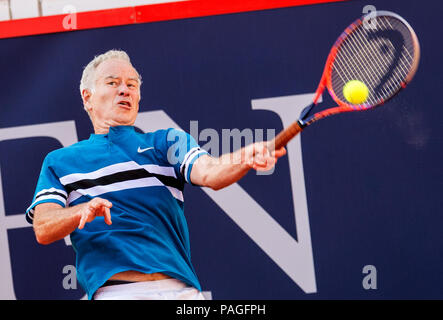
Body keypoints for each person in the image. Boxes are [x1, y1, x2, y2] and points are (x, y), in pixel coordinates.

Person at [26, 50, 286, 300]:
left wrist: (243, 158)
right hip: (116, 293)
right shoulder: (60, 162)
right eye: (113, 82)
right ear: (87, 97)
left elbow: (210, 172)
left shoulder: (166, 142)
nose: (124, 90)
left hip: (182, 292)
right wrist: (79, 211)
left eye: (132, 84)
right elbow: (43, 227)